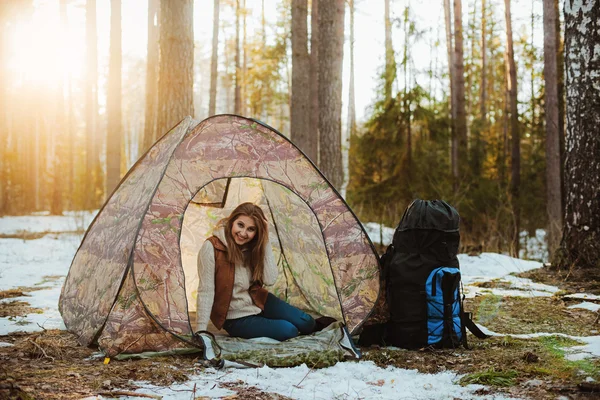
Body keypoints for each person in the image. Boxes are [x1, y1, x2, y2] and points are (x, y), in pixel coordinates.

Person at [195, 202, 315, 341]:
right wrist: (201, 331)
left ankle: (268, 320)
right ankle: (269, 324)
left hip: (259, 301)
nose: (243, 233)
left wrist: (265, 239)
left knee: (308, 323)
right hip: (236, 317)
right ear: (231, 221)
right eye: (240, 225)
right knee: (289, 330)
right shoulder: (211, 248)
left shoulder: (253, 246)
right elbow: (206, 291)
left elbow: (270, 280)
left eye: (251, 229)